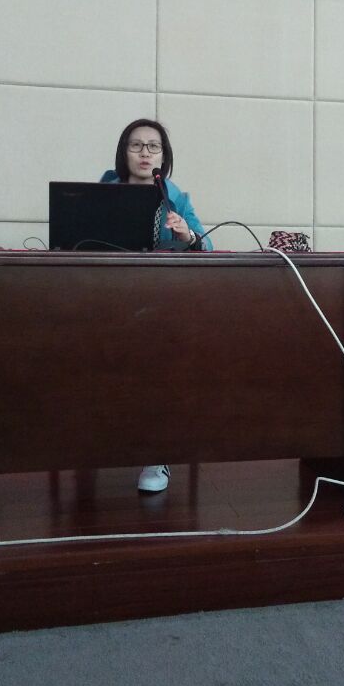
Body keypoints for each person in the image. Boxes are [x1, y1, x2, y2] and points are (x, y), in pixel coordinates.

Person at [101, 118, 212, 493]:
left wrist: (188, 234)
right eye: (136, 145)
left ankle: (156, 455)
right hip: (108, 298)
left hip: (160, 299)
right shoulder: (102, 191)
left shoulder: (176, 197)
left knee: (161, 363)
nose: (145, 153)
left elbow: (207, 245)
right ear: (124, 152)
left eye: (153, 146)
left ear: (164, 156)